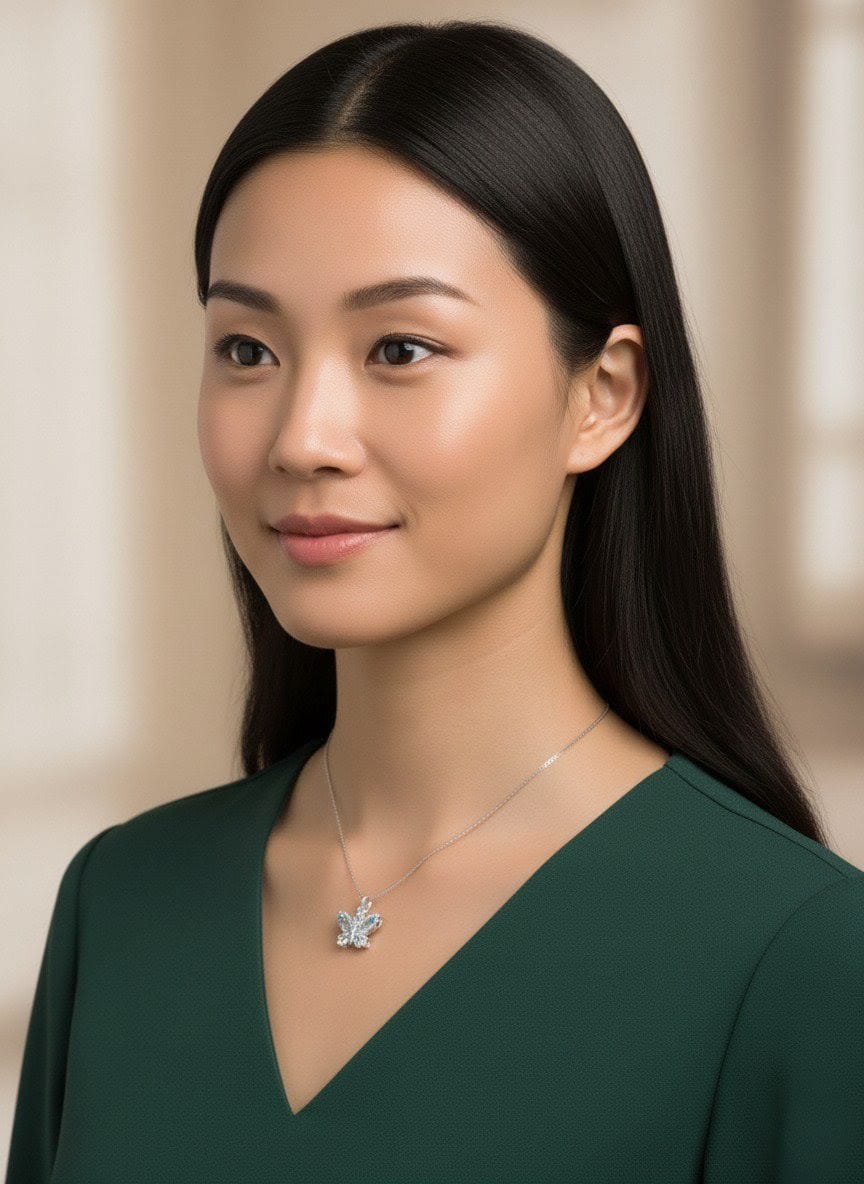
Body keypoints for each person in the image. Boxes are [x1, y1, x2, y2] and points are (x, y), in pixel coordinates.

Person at [6, 18, 863, 1184]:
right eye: (247, 350)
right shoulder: (121, 905)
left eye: (400, 347)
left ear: (602, 396)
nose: (304, 436)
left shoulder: (798, 955)